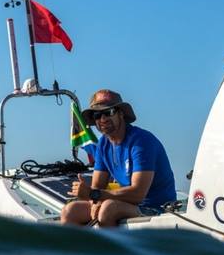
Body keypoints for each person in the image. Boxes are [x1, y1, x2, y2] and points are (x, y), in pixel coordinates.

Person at [60, 89, 177, 227]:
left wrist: (94, 195)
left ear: (121, 114)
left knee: (109, 208)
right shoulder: (103, 144)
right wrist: (93, 200)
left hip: (158, 208)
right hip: (127, 205)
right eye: (97, 115)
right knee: (70, 211)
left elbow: (138, 194)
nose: (103, 119)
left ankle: (111, 248)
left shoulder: (142, 142)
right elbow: (97, 186)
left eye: (108, 112)